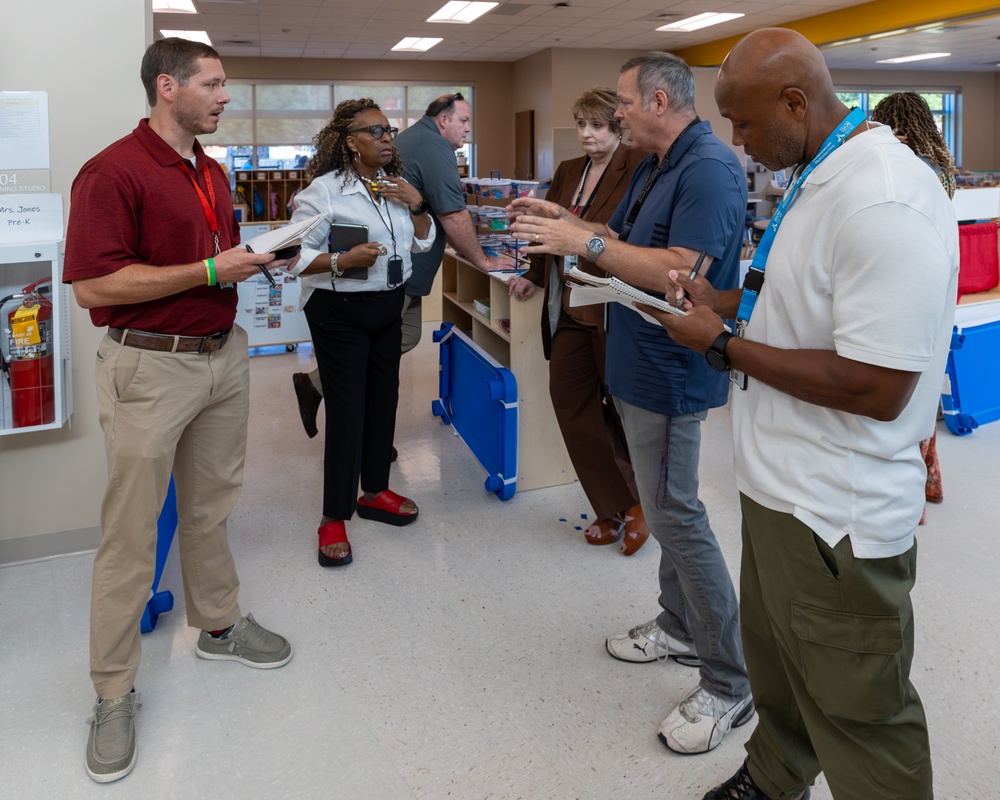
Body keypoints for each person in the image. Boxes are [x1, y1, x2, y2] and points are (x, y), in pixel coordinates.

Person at [648, 29, 958, 800]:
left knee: (860, 707)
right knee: (782, 671)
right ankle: (775, 776)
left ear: (796, 101)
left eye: (745, 123)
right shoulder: (820, 172)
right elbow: (801, 309)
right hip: (780, 488)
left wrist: (721, 344)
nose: (735, 141)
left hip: (837, 513)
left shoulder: (883, 194)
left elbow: (878, 384)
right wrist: (724, 305)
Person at [63, 38, 294, 784]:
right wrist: (206, 269)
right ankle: (113, 691)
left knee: (210, 507)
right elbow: (93, 289)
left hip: (220, 359)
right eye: (215, 85)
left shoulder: (211, 170)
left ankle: (219, 624)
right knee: (131, 533)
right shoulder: (112, 172)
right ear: (168, 87)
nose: (226, 97)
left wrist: (253, 258)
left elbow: (212, 254)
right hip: (147, 368)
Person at [509, 51, 751, 755]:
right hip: (636, 361)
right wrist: (566, 220)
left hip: (673, 370)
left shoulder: (707, 168)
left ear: (656, 99)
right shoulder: (653, 162)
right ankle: (677, 627)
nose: (614, 115)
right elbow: (623, 246)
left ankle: (730, 684)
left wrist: (581, 239)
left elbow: (684, 270)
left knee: (678, 513)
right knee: (666, 505)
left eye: (621, 102)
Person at [292, 91, 509, 439]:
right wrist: (483, 260)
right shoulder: (431, 148)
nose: (468, 129)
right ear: (444, 120)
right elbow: (452, 215)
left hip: (394, 277)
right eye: (464, 121)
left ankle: (326, 392)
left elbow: (421, 231)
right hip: (365, 290)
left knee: (397, 346)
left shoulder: (398, 165)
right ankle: (320, 387)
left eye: (388, 131)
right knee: (383, 354)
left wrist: (418, 205)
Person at [285, 98, 434, 568]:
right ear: (350, 142)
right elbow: (292, 257)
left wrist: (419, 204)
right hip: (338, 311)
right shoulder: (324, 193)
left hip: (389, 304)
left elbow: (425, 239)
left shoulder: (398, 188)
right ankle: (334, 515)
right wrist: (342, 261)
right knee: (348, 410)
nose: (388, 137)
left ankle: (374, 491)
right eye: (376, 131)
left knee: (384, 400)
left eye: (389, 129)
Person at [507, 87, 649, 553]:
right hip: (567, 304)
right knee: (570, 401)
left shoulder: (639, 168)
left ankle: (631, 506)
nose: (587, 135)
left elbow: (625, 235)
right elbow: (547, 231)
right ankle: (619, 503)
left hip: (610, 304)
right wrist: (532, 274)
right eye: (581, 126)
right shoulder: (570, 171)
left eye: (598, 126)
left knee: (619, 408)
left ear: (619, 125)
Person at [871, 92, 957, 513]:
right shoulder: (940, 167)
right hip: (938, 282)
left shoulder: (894, 162)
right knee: (921, 388)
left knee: (899, 397)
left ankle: (910, 497)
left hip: (901, 283)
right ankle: (930, 481)